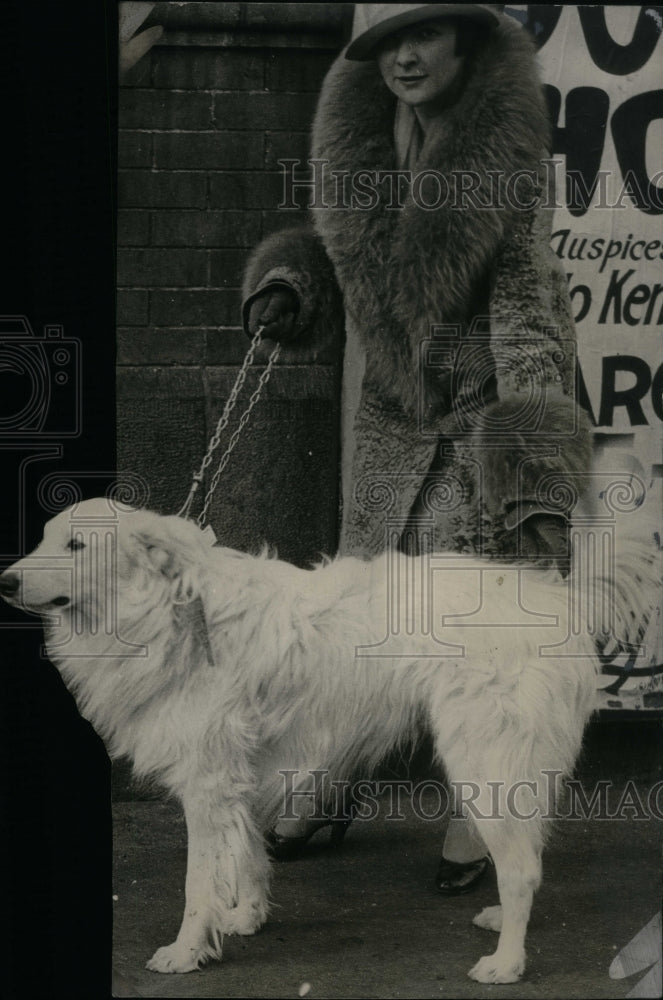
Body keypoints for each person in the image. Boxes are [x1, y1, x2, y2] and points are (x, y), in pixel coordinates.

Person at [241, 3, 591, 894]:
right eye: (387, 42)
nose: (401, 57)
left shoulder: (500, 158)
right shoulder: (358, 136)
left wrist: (534, 481)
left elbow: (525, 313)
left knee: (461, 630)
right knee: (362, 622)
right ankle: (329, 783)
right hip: (390, 422)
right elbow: (340, 255)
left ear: (464, 43)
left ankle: (479, 812)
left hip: (477, 420)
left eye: (421, 37)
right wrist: (287, 281)